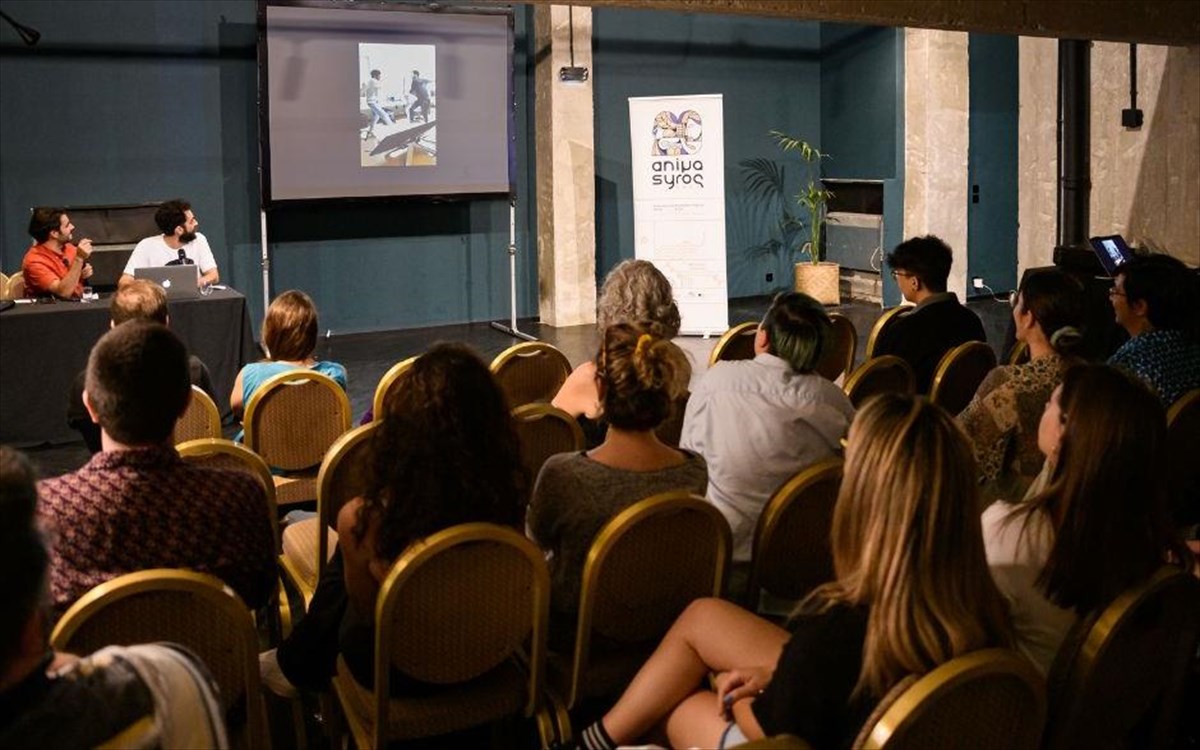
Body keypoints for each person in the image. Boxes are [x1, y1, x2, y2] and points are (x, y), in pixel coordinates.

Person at [575, 395, 1012, 750]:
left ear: (863, 505)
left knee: (683, 708)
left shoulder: (834, 631)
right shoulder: (986, 611)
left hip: (796, 732)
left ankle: (592, 742)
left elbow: (771, 730)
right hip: (864, 703)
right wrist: (778, 677)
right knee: (704, 615)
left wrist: (735, 690)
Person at [262, 343, 525, 694]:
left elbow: (365, 612)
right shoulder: (511, 496)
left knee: (348, 563)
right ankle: (297, 662)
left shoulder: (365, 518)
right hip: (491, 654)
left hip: (397, 674)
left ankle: (299, 664)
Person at [36, 321, 276, 615]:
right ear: (187, 403)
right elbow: (260, 591)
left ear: (91, 407)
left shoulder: (45, 510)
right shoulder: (239, 496)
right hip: (207, 646)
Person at [0, 446, 228, 748]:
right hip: (231, 686)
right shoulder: (164, 683)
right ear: (30, 625)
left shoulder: (57, 500)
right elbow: (261, 586)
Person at [981, 364, 1189, 675]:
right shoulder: (1143, 537)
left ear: (1064, 433)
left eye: (1053, 402)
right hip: (1105, 700)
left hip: (1024, 697)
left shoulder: (1008, 531)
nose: (1046, 405)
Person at [529, 324, 707, 621]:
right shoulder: (694, 470)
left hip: (578, 626)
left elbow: (540, 539)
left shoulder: (564, 474)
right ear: (668, 396)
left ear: (600, 389)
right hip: (661, 618)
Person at [680, 292, 855, 563]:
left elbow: (691, 463)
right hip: (805, 560)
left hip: (725, 556)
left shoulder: (716, 381)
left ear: (762, 337)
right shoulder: (833, 400)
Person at [958, 269, 1084, 503]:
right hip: (1074, 503)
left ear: (1029, 318)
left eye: (1017, 302)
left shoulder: (1008, 383)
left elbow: (959, 446)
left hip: (1019, 506)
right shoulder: (1092, 377)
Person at [66, 279, 217, 453]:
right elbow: (209, 422)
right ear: (166, 322)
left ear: (113, 325)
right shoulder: (193, 371)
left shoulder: (87, 383)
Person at [552, 258, 687, 446]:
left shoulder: (592, 377)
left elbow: (546, 434)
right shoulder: (676, 370)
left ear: (609, 309)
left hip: (601, 464)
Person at [875, 235, 987, 393]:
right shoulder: (972, 321)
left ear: (914, 282)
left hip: (914, 407)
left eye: (897, 275)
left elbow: (877, 384)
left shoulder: (902, 331)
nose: (897, 281)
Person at [230, 289, 347, 424]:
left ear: (270, 335)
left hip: (268, 438)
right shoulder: (333, 374)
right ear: (312, 335)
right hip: (318, 437)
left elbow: (238, 408)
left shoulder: (251, 374)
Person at [1106, 254, 1200, 407]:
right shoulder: (1192, 347)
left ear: (1139, 307)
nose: (1110, 298)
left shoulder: (1129, 363)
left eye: (1115, 291)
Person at [119, 199, 219, 288]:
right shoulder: (146, 246)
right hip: (158, 300)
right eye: (191, 221)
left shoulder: (199, 239)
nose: (196, 223)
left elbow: (213, 275)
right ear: (179, 230)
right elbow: (124, 281)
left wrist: (195, 284)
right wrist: (149, 291)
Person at [21, 206, 93, 299]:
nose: (72, 227)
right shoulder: (34, 262)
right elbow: (63, 293)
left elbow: (74, 278)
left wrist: (82, 273)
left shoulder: (70, 248)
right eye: (67, 225)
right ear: (54, 233)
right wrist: (79, 259)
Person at [362, 68, 393, 141]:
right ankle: (393, 131)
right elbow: (380, 86)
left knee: (376, 117)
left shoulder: (370, 81)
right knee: (384, 115)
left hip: (373, 102)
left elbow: (365, 89)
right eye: (379, 75)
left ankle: (370, 132)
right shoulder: (373, 81)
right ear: (375, 75)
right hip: (372, 102)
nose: (380, 77)